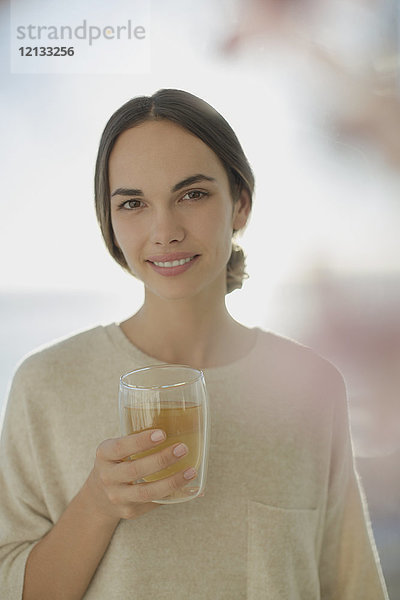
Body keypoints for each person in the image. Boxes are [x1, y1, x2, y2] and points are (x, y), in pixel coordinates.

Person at [0, 89, 389, 599]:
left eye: (192, 194)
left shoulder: (312, 387)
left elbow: (352, 585)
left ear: (240, 204)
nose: (165, 231)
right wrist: (97, 503)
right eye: (134, 203)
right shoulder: (46, 384)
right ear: (110, 225)